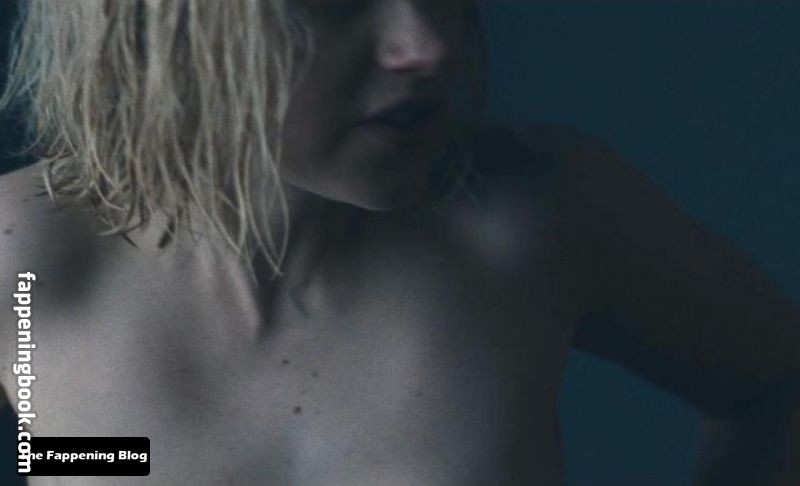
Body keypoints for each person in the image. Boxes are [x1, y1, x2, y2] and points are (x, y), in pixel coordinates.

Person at [0, 1, 798, 484]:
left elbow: (780, 385)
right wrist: (101, 460)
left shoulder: (534, 220)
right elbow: (81, 454)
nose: (427, 45)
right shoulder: (21, 261)